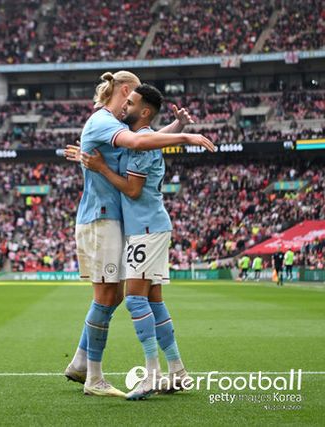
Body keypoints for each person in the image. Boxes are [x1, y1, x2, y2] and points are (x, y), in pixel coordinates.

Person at [62, 72, 213, 398]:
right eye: (128, 100)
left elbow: (143, 144)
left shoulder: (126, 131)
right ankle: (95, 369)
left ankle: (128, 371)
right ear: (125, 91)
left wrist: (100, 166)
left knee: (125, 298)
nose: (127, 106)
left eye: (133, 104)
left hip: (138, 226)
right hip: (111, 220)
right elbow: (143, 138)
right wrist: (181, 132)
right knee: (118, 297)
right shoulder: (106, 122)